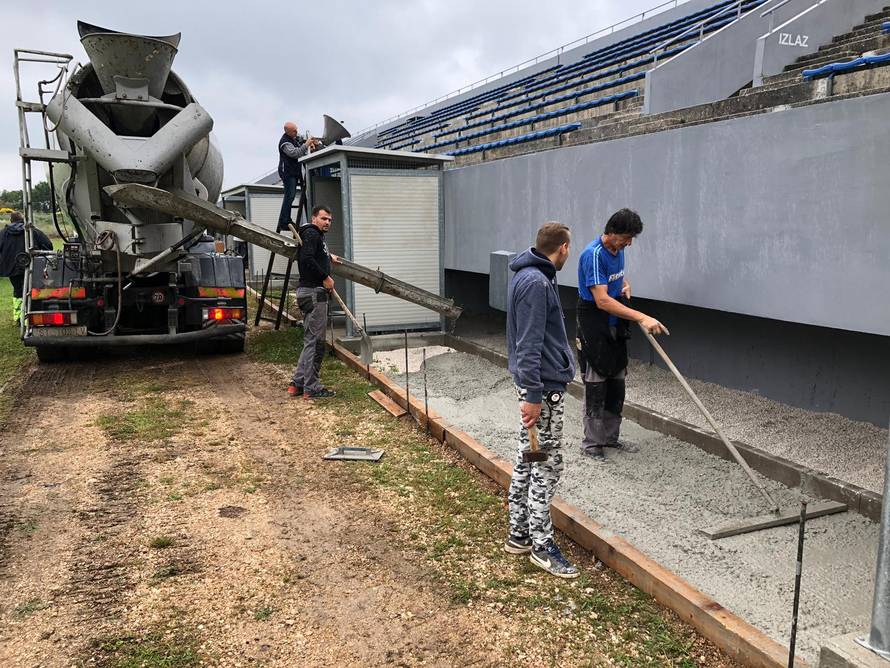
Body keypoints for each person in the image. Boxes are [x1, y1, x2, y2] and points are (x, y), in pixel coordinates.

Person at [504, 222, 579, 579]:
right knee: (547, 465)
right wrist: (533, 396)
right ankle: (541, 545)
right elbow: (528, 344)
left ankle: (518, 533)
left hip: (538, 386)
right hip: (543, 389)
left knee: (527, 459)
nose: (569, 254)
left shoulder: (529, 275)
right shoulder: (536, 282)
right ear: (562, 248)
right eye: (569, 249)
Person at [576, 208, 668, 463]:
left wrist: (623, 283)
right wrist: (641, 316)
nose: (629, 243)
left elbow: (613, 280)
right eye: (627, 237)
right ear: (612, 232)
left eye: (631, 239)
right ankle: (592, 443)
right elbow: (602, 300)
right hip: (595, 321)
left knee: (617, 380)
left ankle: (610, 438)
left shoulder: (619, 250)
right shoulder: (593, 255)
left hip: (616, 322)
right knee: (597, 382)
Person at [288, 205, 340, 399]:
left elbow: (313, 255)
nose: (327, 222)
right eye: (324, 218)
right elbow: (306, 259)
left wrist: (328, 256)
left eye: (329, 220)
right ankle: (312, 388)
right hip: (314, 293)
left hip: (308, 292)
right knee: (317, 343)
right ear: (314, 218)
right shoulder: (312, 233)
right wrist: (325, 277)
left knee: (310, 340)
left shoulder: (315, 236)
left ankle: (298, 383)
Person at [0, 211, 52, 323]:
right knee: (31, 289)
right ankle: (31, 316)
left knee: (18, 291)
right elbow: (48, 245)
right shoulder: (32, 231)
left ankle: (19, 317)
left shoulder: (3, 233)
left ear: (11, 221)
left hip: (12, 268)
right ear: (22, 220)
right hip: (31, 265)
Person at [277, 122, 319, 232]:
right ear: (287, 131)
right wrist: (306, 145)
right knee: (289, 195)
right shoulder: (285, 143)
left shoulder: (293, 139)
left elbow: (301, 148)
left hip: (294, 171)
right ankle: (285, 221)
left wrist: (311, 144)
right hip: (287, 172)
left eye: (296, 130)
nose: (296, 132)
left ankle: (286, 219)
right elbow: (295, 153)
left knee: (291, 195)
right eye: (294, 131)